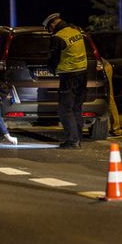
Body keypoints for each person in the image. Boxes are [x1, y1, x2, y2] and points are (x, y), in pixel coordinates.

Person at [44, 13, 88, 149]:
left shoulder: (58, 37)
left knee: (65, 110)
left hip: (69, 76)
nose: (50, 31)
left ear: (52, 24)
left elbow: (54, 58)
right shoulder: (76, 31)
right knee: (77, 107)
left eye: (49, 29)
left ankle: (73, 141)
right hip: (83, 74)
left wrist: (50, 69)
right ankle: (78, 138)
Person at [102, 58, 121, 136]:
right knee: (109, 97)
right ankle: (115, 128)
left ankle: (116, 129)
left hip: (104, 67)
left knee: (109, 97)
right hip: (104, 66)